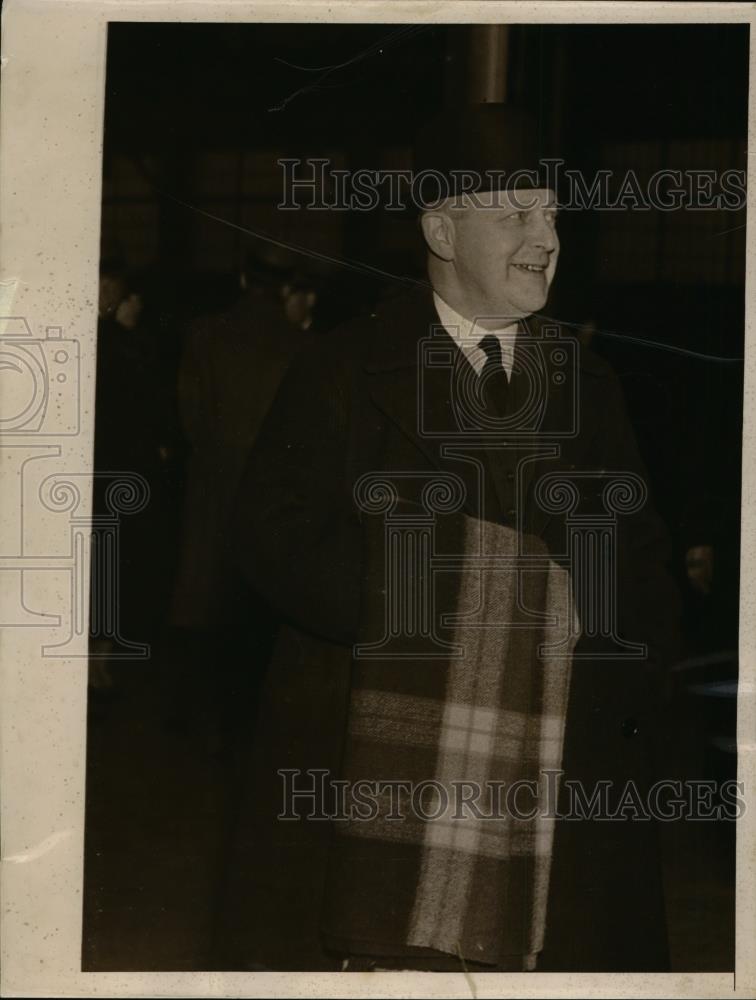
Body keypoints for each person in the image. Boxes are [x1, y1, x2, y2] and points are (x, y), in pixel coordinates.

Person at [222, 105, 681, 972]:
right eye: (515, 212)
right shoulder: (342, 370)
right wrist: (438, 612)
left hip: (555, 780)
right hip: (379, 779)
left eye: (552, 213)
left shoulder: (592, 383)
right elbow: (268, 539)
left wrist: (623, 687)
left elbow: (642, 564)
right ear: (441, 228)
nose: (545, 236)